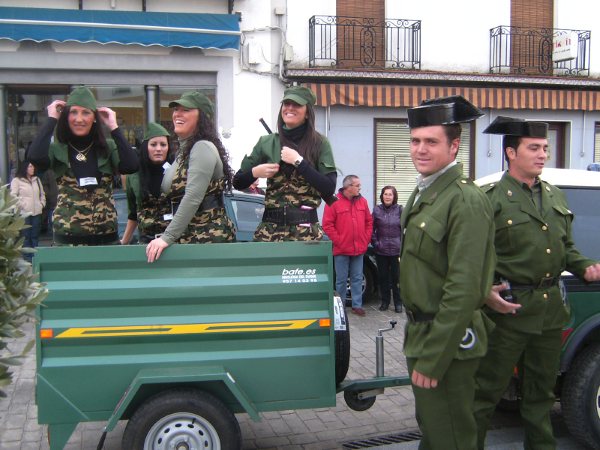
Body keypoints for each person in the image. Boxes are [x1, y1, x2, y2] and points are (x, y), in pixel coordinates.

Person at [473, 116, 600, 450]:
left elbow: (565, 248)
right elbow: (470, 254)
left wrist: (585, 266)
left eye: (545, 148)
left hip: (549, 312)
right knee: (485, 394)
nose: (543, 154)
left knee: (540, 396)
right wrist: (484, 291)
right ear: (511, 153)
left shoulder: (554, 195)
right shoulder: (491, 199)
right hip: (508, 312)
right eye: (534, 148)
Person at [399, 95, 495, 449]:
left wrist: (435, 358)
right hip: (424, 334)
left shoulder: (464, 199)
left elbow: (463, 288)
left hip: (449, 345)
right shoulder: (427, 191)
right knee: (435, 433)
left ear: (454, 146)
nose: (420, 149)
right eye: (415, 141)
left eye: (431, 141)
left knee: (452, 439)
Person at [28, 86, 139, 246]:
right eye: (73, 112)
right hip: (66, 242)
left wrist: (114, 127)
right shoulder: (58, 148)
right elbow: (35, 158)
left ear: (94, 117)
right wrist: (52, 119)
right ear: (66, 117)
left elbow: (131, 165)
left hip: (106, 241)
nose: (79, 119)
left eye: (86, 112)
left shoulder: (106, 147)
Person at [232, 86, 337, 241]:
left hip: (306, 234)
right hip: (269, 233)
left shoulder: (319, 143)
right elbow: (237, 182)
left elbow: (329, 187)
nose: (289, 108)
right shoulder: (266, 142)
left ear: (307, 112)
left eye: (296, 105)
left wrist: (299, 162)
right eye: (286, 104)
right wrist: (256, 172)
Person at [145, 91, 235, 263]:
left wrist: (167, 237)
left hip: (205, 238)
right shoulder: (183, 152)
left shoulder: (202, 147)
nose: (177, 114)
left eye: (185, 110)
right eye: (176, 109)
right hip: (188, 236)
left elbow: (193, 197)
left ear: (202, 117)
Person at [322, 175, 373, 316]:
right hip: (341, 249)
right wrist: (339, 241)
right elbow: (327, 224)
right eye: (357, 185)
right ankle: (340, 307)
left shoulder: (362, 201)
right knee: (341, 280)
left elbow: (369, 222)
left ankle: (357, 305)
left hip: (359, 248)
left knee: (357, 278)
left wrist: (366, 239)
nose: (360, 188)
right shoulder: (334, 202)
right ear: (348, 187)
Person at [121, 122, 175, 245]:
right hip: (146, 244)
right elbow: (133, 214)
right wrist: (124, 242)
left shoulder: (177, 172)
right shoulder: (134, 176)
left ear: (168, 148)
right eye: (153, 144)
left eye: (163, 145)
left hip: (174, 243)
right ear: (146, 147)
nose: (158, 149)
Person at [371, 185, 403, 313]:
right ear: (382, 196)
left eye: (390, 194)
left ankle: (398, 303)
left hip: (396, 250)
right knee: (383, 277)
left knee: (396, 278)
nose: (387, 196)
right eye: (385, 194)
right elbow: (370, 228)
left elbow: (406, 228)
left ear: (394, 196)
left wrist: (402, 244)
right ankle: (385, 301)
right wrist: (376, 243)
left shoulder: (400, 210)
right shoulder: (377, 210)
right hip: (381, 250)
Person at [10, 161, 46, 261]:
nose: (32, 168)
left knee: (35, 235)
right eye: (30, 166)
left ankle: (36, 257)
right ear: (25, 168)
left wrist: (42, 204)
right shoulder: (17, 181)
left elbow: (42, 194)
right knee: (26, 236)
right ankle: (28, 258)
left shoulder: (37, 180)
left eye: (33, 166)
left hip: (37, 212)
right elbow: (13, 196)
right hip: (24, 213)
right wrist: (22, 205)